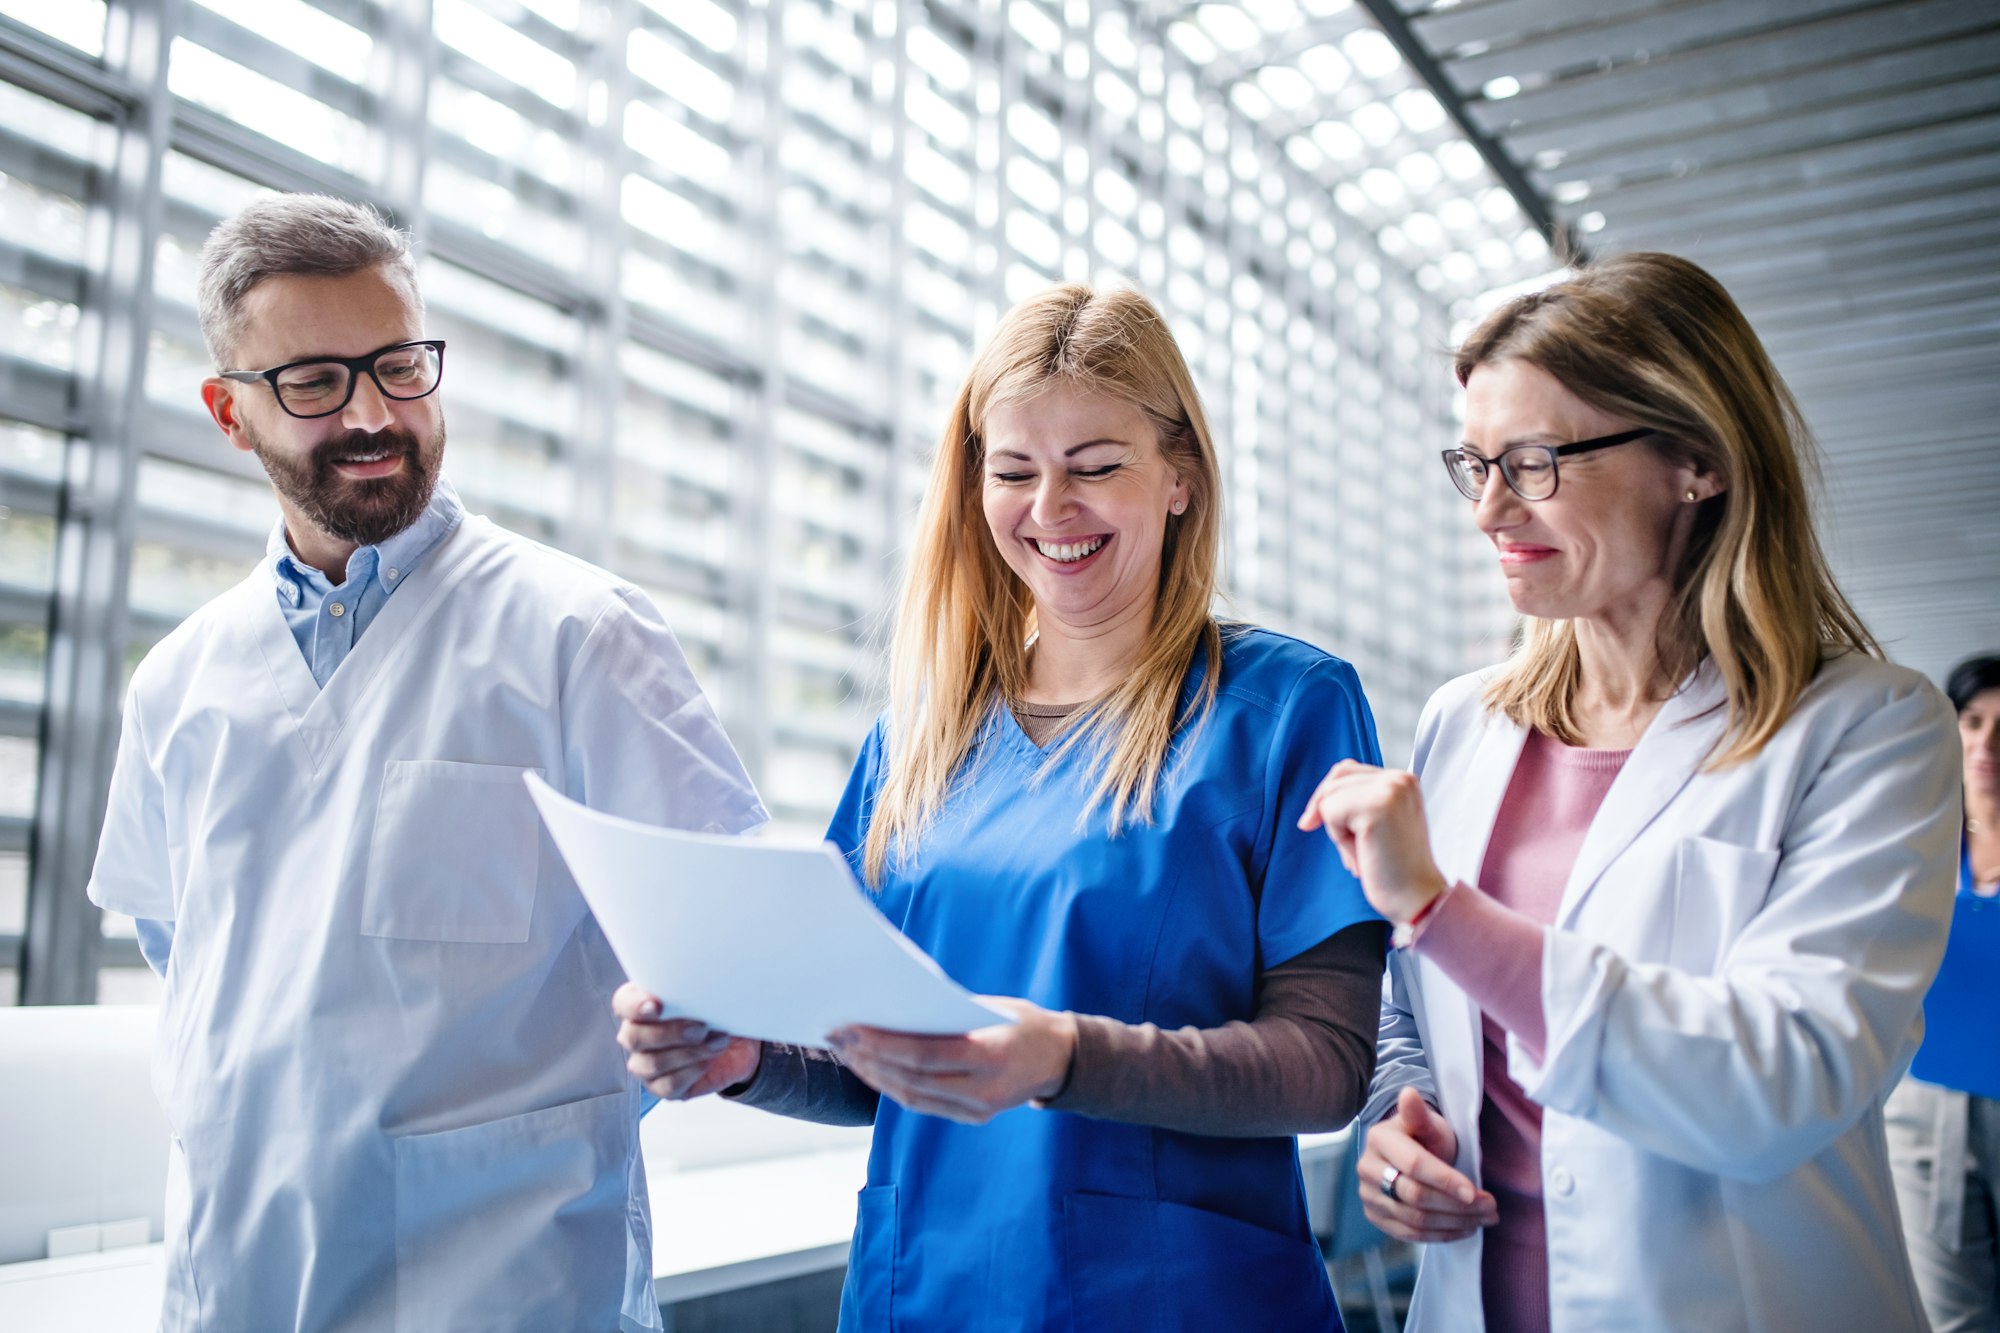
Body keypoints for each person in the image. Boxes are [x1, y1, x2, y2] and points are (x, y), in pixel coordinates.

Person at [614, 284, 1387, 1331]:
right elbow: (869, 1061)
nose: (1049, 509)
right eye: (1013, 471)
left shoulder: (1282, 709)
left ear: (1179, 480)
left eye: (1095, 466)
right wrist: (743, 1059)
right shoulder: (918, 739)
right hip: (924, 1291)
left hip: (1170, 1298)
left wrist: (1064, 1055)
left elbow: (1327, 1066)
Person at [87, 195, 765, 1333]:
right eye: (312, 382)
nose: (371, 413)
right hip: (236, 1283)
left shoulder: (578, 637)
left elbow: (733, 944)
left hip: (509, 1291)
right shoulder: (178, 683)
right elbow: (199, 975)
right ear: (227, 411)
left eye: (398, 366)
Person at [1298, 252, 1961, 1332]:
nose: (1489, 512)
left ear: (1694, 461)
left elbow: (1781, 1079)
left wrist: (1436, 909)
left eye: (1534, 462)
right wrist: (1392, 1124)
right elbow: (1414, 1014)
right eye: (1474, 465)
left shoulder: (1866, 732)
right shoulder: (1464, 723)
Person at [1888, 654, 2000, 1333]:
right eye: (1974, 722)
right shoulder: (1916, 840)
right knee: (1956, 1317)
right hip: (1926, 1114)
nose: (1987, 746)